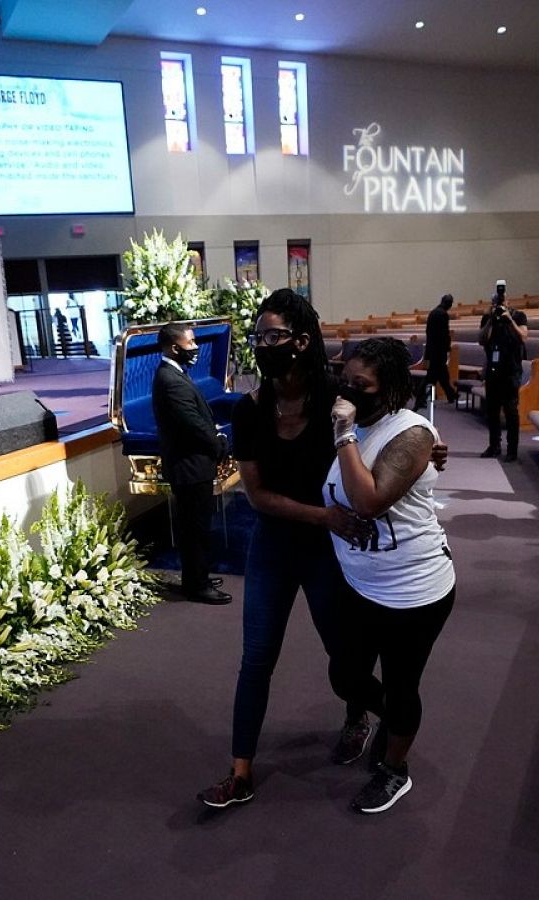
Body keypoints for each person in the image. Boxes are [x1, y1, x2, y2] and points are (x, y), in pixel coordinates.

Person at [199, 292, 450, 810]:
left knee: (345, 661)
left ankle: (363, 716)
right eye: (258, 336)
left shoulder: (337, 394)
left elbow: (390, 419)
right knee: (256, 657)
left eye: (274, 336)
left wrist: (428, 449)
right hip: (279, 542)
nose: (264, 345)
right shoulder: (250, 410)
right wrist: (324, 515)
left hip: (333, 552)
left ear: (302, 340)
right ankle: (240, 771)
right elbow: (258, 495)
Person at [324, 337, 456, 814]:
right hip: (360, 583)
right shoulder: (358, 417)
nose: (350, 390)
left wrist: (344, 432)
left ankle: (395, 769)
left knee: (402, 685)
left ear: (392, 388)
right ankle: (391, 722)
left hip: (414, 590)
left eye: (362, 384)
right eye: (346, 380)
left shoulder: (413, 435)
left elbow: (369, 501)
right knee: (346, 675)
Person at [152, 323, 231, 605]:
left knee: (198, 526)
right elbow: (192, 424)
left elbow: (199, 417)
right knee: (194, 529)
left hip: (193, 464)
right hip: (188, 466)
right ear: (175, 348)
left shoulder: (175, 373)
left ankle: (198, 576)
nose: (195, 348)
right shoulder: (169, 380)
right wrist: (219, 442)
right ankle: (197, 586)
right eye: (191, 343)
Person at [477, 279, 529, 460]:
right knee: (492, 410)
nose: (500, 304)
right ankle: (494, 446)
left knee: (511, 411)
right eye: (497, 302)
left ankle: (512, 450)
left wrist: (509, 320)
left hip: (511, 370)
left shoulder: (519, 316)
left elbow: (523, 337)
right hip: (493, 370)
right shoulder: (488, 318)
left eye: (502, 301)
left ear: (508, 302)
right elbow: (482, 340)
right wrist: (491, 319)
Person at [413, 293, 458, 409]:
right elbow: (444, 335)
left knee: (442, 375)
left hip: (429, 352)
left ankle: (451, 395)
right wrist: (447, 349)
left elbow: (429, 332)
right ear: (449, 303)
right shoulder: (443, 315)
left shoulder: (433, 312)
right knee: (430, 377)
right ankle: (419, 400)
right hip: (438, 353)